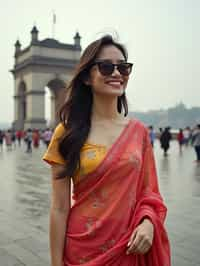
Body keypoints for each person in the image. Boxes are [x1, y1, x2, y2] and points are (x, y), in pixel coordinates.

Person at [43, 35, 170, 266]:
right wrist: (55, 263)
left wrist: (149, 223)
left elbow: (150, 193)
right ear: (86, 77)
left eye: (123, 67)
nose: (116, 73)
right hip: (81, 251)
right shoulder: (67, 133)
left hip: (129, 247)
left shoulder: (139, 132)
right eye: (105, 67)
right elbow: (59, 208)